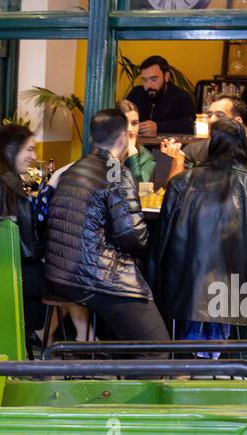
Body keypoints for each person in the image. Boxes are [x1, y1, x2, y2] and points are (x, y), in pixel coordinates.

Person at [43, 108, 170, 343]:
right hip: (95, 276)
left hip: (60, 272)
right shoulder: (115, 172)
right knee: (157, 348)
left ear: (93, 138)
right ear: (124, 137)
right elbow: (131, 235)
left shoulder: (72, 169)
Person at [149, 119, 247, 342]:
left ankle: (190, 365)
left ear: (211, 144)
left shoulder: (181, 183)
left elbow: (162, 239)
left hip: (183, 285)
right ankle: (211, 362)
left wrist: (154, 283)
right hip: (232, 291)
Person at [0, 123, 54, 341]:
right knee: (67, 280)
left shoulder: (11, 182)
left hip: (17, 266)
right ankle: (46, 339)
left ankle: (43, 338)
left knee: (68, 278)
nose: (34, 156)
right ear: (10, 150)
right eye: (30, 149)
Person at [162, 96, 247, 177]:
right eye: (209, 115)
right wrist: (178, 161)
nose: (211, 120)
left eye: (220, 115)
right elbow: (175, 193)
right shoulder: (193, 150)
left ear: (237, 121)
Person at [122, 55, 196, 136]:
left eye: (154, 79)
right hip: (137, 146)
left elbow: (190, 125)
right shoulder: (136, 93)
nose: (149, 85)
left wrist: (158, 127)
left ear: (166, 77)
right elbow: (121, 119)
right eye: (144, 80)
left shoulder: (181, 97)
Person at [118, 99, 156, 184]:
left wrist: (132, 157)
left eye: (134, 123)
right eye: (124, 123)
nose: (129, 129)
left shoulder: (147, 157)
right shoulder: (104, 150)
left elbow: (138, 188)